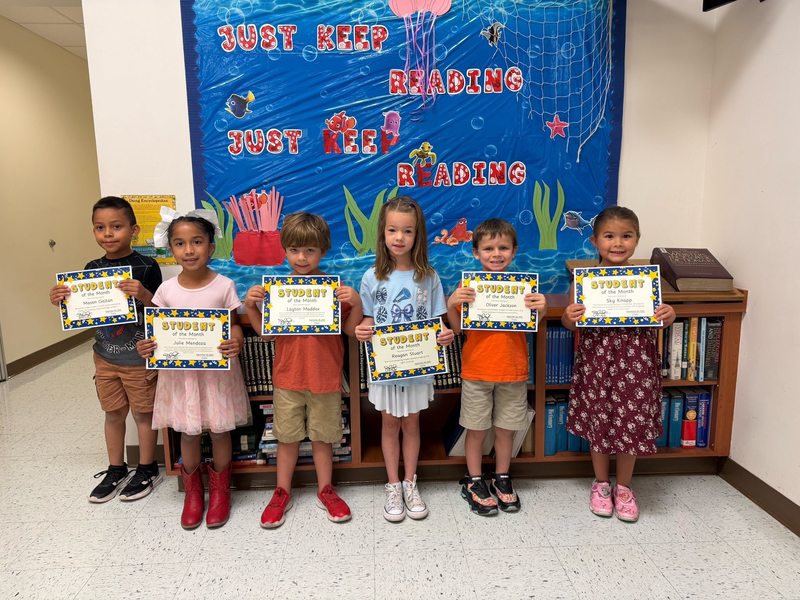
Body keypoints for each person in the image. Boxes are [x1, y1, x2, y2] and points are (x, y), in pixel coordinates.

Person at [244, 212, 363, 528]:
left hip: (325, 379)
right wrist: (252, 306)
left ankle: (326, 489)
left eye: (309, 250)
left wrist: (358, 303)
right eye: (295, 249)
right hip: (288, 379)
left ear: (322, 251)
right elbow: (266, 334)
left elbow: (351, 331)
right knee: (287, 439)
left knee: (324, 439)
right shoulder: (277, 290)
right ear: (284, 250)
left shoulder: (335, 290)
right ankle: (281, 491)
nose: (301, 257)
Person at [561, 206, 676, 522]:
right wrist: (569, 317)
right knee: (600, 421)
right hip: (597, 363)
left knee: (632, 425)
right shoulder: (583, 280)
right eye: (609, 236)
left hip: (636, 364)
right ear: (595, 240)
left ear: (637, 240)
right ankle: (600, 484)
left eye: (626, 236)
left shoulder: (645, 280)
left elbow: (660, 317)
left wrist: (670, 314)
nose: (617, 243)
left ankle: (623, 488)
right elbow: (570, 323)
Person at [137, 212, 250, 530]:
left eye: (197, 242)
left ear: (211, 247)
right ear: (171, 249)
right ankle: (193, 494)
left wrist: (235, 343)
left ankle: (219, 492)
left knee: (219, 430)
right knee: (187, 432)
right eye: (180, 243)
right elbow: (156, 333)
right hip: (181, 379)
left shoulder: (224, 285)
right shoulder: (166, 291)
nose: (189, 250)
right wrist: (148, 347)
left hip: (216, 377)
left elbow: (235, 327)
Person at [49, 196, 163, 503]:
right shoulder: (92, 268)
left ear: (134, 230)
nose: (108, 234)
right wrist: (62, 300)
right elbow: (81, 311)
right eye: (100, 228)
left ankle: (148, 467)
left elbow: (160, 312)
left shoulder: (147, 266)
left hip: (139, 357)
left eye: (116, 226)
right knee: (113, 413)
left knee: (143, 413)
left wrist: (144, 294)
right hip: (105, 356)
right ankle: (116, 468)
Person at [355, 196, 455, 522]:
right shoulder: (372, 277)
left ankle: (411, 482)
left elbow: (438, 321)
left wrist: (445, 334)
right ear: (383, 233)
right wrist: (362, 329)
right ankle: (393, 484)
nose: (399, 238)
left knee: (412, 424)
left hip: (417, 365)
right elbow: (369, 318)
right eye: (393, 230)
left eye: (407, 231)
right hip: (385, 366)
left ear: (418, 235)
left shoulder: (429, 276)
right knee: (389, 424)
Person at [446, 218, 546, 515]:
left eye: (503, 247)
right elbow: (458, 329)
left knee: (505, 430)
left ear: (514, 251)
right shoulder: (467, 287)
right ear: (476, 252)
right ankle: (474, 480)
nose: (496, 253)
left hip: (512, 371)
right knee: (475, 430)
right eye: (489, 248)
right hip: (477, 371)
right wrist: (452, 303)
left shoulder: (524, 289)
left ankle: (502, 477)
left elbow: (532, 327)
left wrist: (539, 310)